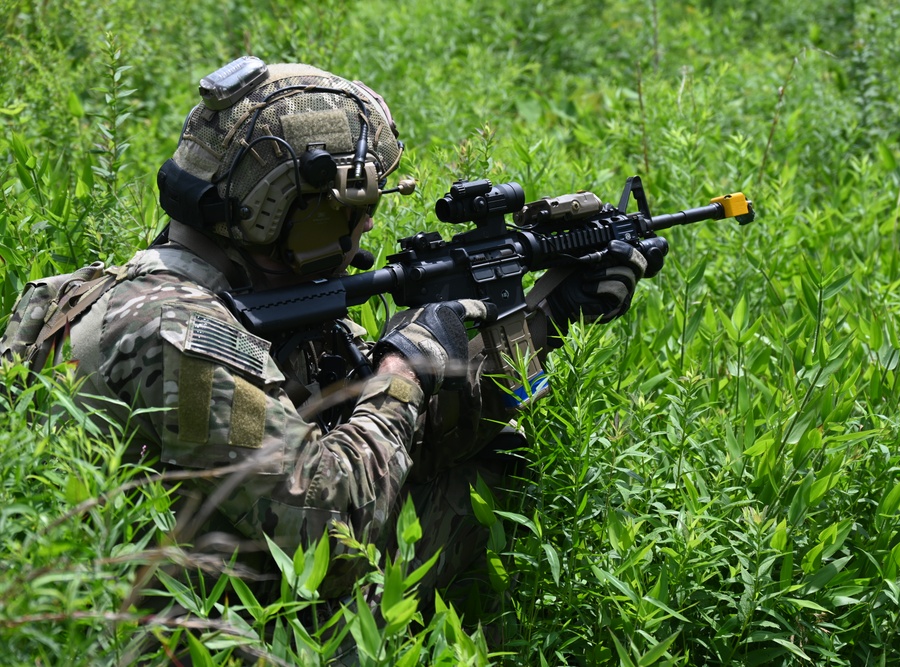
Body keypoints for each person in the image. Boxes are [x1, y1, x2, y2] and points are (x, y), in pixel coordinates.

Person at [0, 57, 647, 613]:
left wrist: (548, 318)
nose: (365, 229)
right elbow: (324, 537)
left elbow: (394, 437)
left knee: (493, 455)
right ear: (284, 211)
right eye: (352, 211)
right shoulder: (182, 340)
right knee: (490, 490)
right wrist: (405, 368)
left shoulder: (219, 296)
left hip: (190, 563)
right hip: (167, 621)